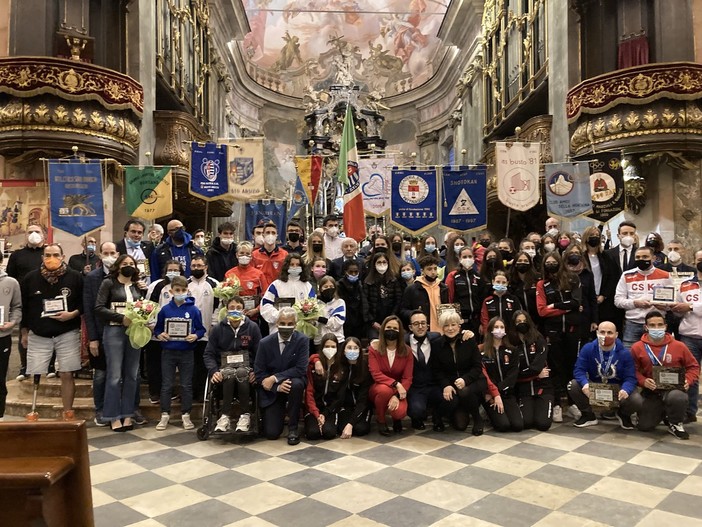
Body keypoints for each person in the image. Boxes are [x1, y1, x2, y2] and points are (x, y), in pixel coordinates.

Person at [21, 243, 83, 420]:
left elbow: (83, 303)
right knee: (36, 371)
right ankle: (33, 410)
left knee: (66, 372)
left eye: (56, 255)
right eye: (48, 255)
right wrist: (24, 333)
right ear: (42, 258)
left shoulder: (75, 277)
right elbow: (24, 307)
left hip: (67, 331)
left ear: (63, 257)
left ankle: (68, 411)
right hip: (39, 333)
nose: (51, 259)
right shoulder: (30, 278)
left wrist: (72, 314)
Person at [95, 254, 148, 431]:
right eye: (125, 263)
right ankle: (112, 415)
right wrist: (120, 318)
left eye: (131, 264)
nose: (128, 266)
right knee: (115, 375)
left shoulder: (137, 286)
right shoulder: (108, 283)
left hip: (134, 332)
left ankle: (128, 414)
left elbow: (142, 307)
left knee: (132, 375)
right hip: (114, 331)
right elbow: (99, 308)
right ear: (118, 266)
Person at [630, 311, 699, 439]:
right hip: (652, 391)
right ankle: (662, 412)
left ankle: (675, 423)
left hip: (674, 389)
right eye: (652, 325)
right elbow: (632, 371)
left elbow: (693, 367)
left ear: (665, 326)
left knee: (678, 397)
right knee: (644, 427)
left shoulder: (679, 346)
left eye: (660, 325)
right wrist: (643, 381)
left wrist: (688, 381)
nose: (657, 328)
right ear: (646, 327)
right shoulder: (637, 347)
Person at [537, 251, 588, 422]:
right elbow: (542, 311)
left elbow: (576, 302)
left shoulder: (573, 278)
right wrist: (566, 308)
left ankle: (573, 403)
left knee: (572, 366)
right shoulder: (542, 284)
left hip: (573, 329)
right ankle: (557, 404)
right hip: (552, 331)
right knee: (555, 367)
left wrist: (555, 305)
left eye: (553, 262)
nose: (551, 265)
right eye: (547, 262)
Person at [154, 276, 206, 431]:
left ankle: (186, 415)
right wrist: (160, 335)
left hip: (187, 353)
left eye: (183, 290)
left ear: (187, 291)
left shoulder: (193, 310)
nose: (180, 293)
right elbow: (157, 329)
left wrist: (195, 335)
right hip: (168, 352)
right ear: (171, 291)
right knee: (167, 385)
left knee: (186, 385)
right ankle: (164, 415)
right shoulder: (165, 310)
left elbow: (201, 329)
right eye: (177, 290)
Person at [204, 296, 262, 433]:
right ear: (226, 310)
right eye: (231, 308)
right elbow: (208, 354)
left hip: (246, 367)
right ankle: (224, 416)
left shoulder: (252, 327)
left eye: (238, 308)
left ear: (243, 310)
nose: (235, 310)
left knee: (241, 372)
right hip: (224, 367)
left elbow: (260, 353)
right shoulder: (218, 329)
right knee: (228, 374)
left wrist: (256, 371)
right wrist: (214, 371)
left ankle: (245, 416)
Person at [567, 321, 638, 429]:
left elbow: (630, 377)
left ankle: (623, 414)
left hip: (617, 389)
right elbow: (579, 370)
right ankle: (588, 415)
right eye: (602, 332)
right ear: (597, 333)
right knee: (573, 385)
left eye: (610, 332)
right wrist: (585, 384)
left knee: (636, 398)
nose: (606, 336)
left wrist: (625, 390)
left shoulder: (625, 353)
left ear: (616, 334)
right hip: (595, 387)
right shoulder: (588, 348)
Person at [254, 307, 309, 444]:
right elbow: (259, 373)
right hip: (273, 390)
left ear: (295, 325)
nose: (286, 327)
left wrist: (275, 378)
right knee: (271, 433)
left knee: (296, 384)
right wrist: (277, 386)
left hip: (292, 384)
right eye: (283, 323)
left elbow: (301, 369)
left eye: (290, 324)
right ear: (277, 323)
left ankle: (293, 428)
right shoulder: (265, 343)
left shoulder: (302, 340)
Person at [431, 311, 486, 435]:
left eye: (453, 324)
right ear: (442, 327)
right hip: (451, 384)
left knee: (464, 390)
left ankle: (477, 419)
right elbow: (436, 370)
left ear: (459, 326)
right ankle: (438, 415)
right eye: (446, 325)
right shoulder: (436, 345)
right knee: (460, 425)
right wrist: (446, 385)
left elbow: (477, 367)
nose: (450, 328)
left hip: (471, 381)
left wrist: (465, 379)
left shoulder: (469, 340)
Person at [84, 242, 121, 425]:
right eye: (105, 253)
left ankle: (118, 408)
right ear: (100, 255)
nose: (109, 256)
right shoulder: (92, 278)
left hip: (120, 333)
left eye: (112, 253)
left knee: (119, 374)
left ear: (118, 254)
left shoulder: (122, 277)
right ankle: (100, 409)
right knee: (100, 375)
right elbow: (89, 310)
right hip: (99, 332)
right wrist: (92, 338)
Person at [614, 246, 673, 350]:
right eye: (638, 257)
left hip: (656, 324)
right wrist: (635, 303)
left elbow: (672, 304)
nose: (641, 259)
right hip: (633, 323)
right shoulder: (626, 275)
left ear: (653, 258)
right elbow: (618, 301)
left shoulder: (665, 276)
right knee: (630, 355)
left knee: (657, 355)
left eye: (645, 257)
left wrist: (665, 306)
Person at [7, 224, 45, 380]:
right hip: (24, 299)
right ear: (25, 236)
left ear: (43, 235)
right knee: (25, 333)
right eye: (30, 232)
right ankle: (25, 366)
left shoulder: (48, 253)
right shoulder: (17, 255)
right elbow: (10, 277)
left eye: (37, 232)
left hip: (46, 298)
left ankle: (49, 366)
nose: (34, 234)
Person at [144, 260, 184, 403]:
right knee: (154, 364)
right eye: (170, 269)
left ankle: (169, 391)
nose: (173, 272)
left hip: (175, 333)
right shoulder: (157, 285)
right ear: (165, 271)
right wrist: (152, 325)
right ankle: (154, 393)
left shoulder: (183, 287)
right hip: (156, 332)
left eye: (176, 270)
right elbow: (148, 306)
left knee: (170, 365)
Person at [368, 315, 413, 435]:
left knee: (400, 412)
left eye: (395, 328)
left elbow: (408, 378)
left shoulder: (407, 351)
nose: (391, 330)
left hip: (399, 390)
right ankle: (381, 421)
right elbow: (376, 374)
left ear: (400, 332)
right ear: (383, 329)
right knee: (385, 390)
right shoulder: (374, 349)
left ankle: (396, 419)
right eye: (388, 327)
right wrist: (396, 384)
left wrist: (397, 395)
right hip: (379, 388)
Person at [508, 310, 552, 431]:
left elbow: (537, 366)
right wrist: (535, 375)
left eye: (524, 321)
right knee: (526, 422)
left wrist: (529, 372)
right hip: (524, 389)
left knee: (543, 424)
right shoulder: (511, 344)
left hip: (543, 387)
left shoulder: (538, 339)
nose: (521, 323)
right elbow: (513, 373)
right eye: (518, 321)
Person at [480, 317, 523, 432]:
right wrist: (491, 394)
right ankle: (487, 411)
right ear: (490, 330)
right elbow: (483, 376)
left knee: (517, 425)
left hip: (507, 392)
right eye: (496, 327)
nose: (499, 330)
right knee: (503, 426)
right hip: (490, 395)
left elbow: (513, 375)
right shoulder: (481, 350)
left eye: (502, 327)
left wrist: (499, 391)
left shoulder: (512, 350)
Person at [674, 248, 702, 422]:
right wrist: (675, 309)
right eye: (699, 259)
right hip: (689, 335)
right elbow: (679, 308)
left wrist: (691, 307)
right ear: (694, 261)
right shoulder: (685, 284)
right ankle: (690, 411)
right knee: (691, 375)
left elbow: (690, 307)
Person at [187, 255, 219, 401]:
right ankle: (189, 393)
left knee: (203, 364)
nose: (196, 268)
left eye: (199, 266)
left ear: (206, 267)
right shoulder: (185, 284)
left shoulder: (214, 284)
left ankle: (202, 393)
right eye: (193, 266)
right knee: (189, 364)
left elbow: (219, 306)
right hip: (187, 333)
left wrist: (213, 323)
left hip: (207, 331)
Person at [405, 310, 443, 430]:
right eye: (416, 324)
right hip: (416, 388)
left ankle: (438, 416)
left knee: (451, 399)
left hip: (434, 385)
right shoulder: (403, 341)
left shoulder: (436, 338)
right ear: (410, 327)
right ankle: (417, 418)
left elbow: (453, 335)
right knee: (416, 410)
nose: (420, 327)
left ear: (427, 325)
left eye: (423, 323)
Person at [260, 253, 316, 334]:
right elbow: (265, 305)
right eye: (292, 264)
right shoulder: (276, 285)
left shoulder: (307, 286)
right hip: (278, 330)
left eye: (298, 265)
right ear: (287, 266)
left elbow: (314, 306)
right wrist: (279, 316)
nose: (295, 267)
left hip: (300, 331)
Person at [304, 334, 346, 439]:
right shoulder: (313, 366)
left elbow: (339, 397)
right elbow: (309, 393)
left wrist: (326, 413)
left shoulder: (341, 368)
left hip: (331, 409)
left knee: (329, 433)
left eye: (333, 347)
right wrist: (317, 413)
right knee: (313, 433)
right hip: (314, 408)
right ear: (322, 348)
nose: (330, 349)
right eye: (327, 346)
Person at [399, 256, 449, 333]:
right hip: (422, 332)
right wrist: (414, 313)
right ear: (422, 271)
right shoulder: (412, 289)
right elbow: (403, 311)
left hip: (442, 332)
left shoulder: (443, 288)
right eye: (429, 269)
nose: (433, 272)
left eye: (435, 268)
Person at [0, 250, 21, 420]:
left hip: (2, 336)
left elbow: (16, 307)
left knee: (0, 377)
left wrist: (12, 322)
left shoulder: (10, 282)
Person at [225, 241, 269, 322]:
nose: (244, 256)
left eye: (247, 253)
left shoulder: (259, 274)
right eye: (241, 253)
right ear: (236, 255)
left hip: (253, 318)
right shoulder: (229, 274)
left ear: (251, 256)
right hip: (234, 316)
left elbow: (266, 296)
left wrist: (256, 310)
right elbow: (225, 297)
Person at [445, 246, 486, 334]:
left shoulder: (478, 277)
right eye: (464, 257)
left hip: (475, 321)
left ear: (474, 258)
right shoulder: (454, 276)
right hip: (460, 321)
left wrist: (482, 323)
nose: (467, 259)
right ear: (459, 259)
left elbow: (482, 300)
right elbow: (449, 298)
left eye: (470, 256)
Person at [337, 337, 372, 438]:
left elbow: (363, 400)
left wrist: (351, 424)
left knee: (361, 429)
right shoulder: (339, 366)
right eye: (349, 348)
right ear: (344, 350)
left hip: (362, 406)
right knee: (341, 428)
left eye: (355, 348)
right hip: (345, 407)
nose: (352, 350)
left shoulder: (365, 368)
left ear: (360, 350)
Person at [363, 252, 403, 339]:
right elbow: (365, 304)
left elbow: (398, 300)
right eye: (379, 262)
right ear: (374, 264)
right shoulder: (368, 282)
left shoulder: (394, 280)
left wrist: (391, 318)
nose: (382, 264)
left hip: (391, 320)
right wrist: (372, 322)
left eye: (384, 262)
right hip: (373, 322)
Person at [480, 270, 522, 334]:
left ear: (507, 283)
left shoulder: (513, 299)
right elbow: (485, 320)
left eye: (503, 282)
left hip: (510, 334)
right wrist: (487, 334)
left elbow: (518, 317)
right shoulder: (487, 301)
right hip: (492, 334)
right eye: (498, 282)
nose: (500, 284)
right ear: (493, 282)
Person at [508, 250, 542, 330]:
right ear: (515, 263)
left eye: (525, 261)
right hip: (518, 321)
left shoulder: (538, 278)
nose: (522, 263)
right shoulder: (509, 279)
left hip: (537, 321)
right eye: (520, 261)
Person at [336, 260, 368, 341]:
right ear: (345, 272)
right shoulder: (339, 286)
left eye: (356, 272)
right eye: (351, 272)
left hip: (358, 323)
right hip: (345, 322)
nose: (353, 274)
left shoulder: (360, 285)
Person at [315, 276, 346, 345]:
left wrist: (320, 319)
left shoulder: (340, 302)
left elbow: (337, 323)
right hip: (320, 341)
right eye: (326, 287)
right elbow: (314, 323)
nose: (329, 289)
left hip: (337, 340)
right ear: (320, 289)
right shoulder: (315, 303)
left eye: (331, 286)